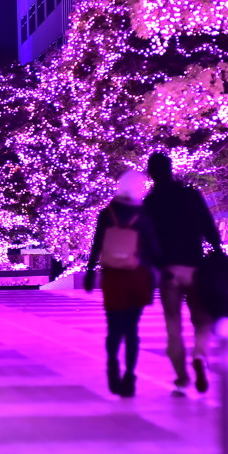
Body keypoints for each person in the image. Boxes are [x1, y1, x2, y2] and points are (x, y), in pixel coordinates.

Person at [143, 152, 222, 396]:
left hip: (169, 271)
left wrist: (155, 264)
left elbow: (146, 240)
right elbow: (208, 225)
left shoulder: (150, 202)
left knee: (173, 328)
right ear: (171, 169)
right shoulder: (190, 194)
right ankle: (199, 354)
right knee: (202, 319)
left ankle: (181, 379)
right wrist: (217, 248)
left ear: (151, 174)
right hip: (194, 266)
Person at [84, 170, 160, 398]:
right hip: (138, 275)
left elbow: (97, 244)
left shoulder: (107, 214)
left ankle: (112, 368)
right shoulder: (144, 214)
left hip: (113, 275)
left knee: (114, 326)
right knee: (132, 328)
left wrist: (90, 271)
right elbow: (153, 248)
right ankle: (130, 375)